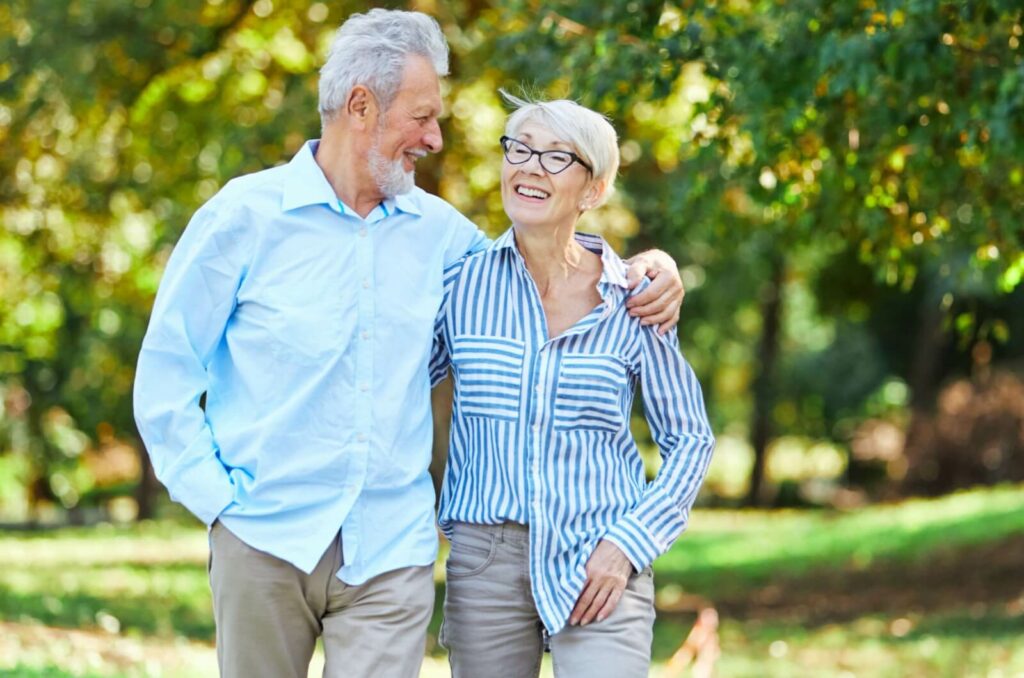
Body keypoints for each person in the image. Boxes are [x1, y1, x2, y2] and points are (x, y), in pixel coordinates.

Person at [133, 9, 684, 678]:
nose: (435, 138)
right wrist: (220, 503)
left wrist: (643, 269)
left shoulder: (445, 237)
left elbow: (542, 275)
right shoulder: (243, 218)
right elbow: (166, 374)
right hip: (264, 538)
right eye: (422, 117)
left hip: (390, 553)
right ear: (360, 106)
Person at [431, 95, 716, 678]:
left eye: (557, 157)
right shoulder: (457, 286)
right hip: (486, 561)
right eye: (520, 149)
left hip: (601, 557)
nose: (531, 167)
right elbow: (386, 388)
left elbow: (690, 439)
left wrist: (629, 545)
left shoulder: (635, 299)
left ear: (594, 189)